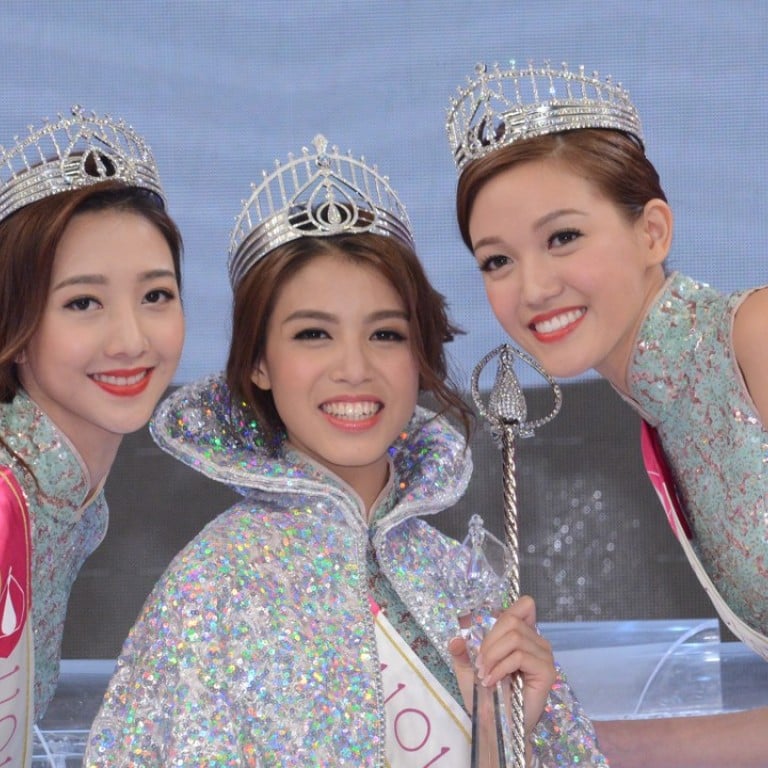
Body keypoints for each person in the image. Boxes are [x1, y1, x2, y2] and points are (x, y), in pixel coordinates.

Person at [85, 134, 607, 767]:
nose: (354, 369)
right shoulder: (212, 586)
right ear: (258, 363)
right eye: (313, 334)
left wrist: (503, 734)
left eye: (385, 334)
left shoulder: (461, 582)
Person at [445, 60, 768, 767]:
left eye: (563, 237)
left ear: (653, 231)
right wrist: (545, 741)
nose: (531, 287)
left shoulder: (756, 338)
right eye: (496, 260)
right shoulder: (666, 415)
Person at [0, 106, 184, 763]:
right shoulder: (7, 494)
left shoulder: (66, 487)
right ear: (16, 326)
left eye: (156, 295)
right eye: (83, 302)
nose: (131, 339)